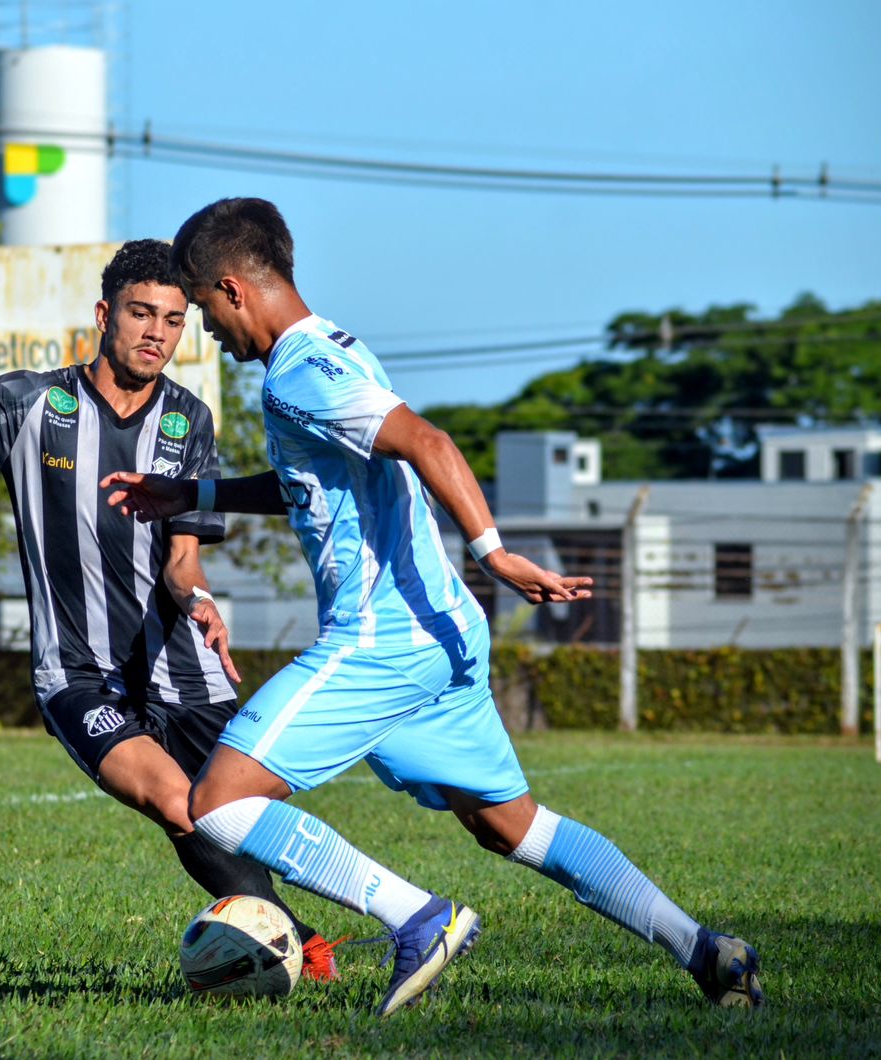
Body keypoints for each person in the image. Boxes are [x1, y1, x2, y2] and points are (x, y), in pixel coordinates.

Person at [101, 199, 764, 1016]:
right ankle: (708, 952)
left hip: (384, 639)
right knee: (514, 828)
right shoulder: (338, 350)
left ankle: (418, 920)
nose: (206, 332)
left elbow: (429, 443)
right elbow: (316, 486)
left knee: (219, 805)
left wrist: (494, 551)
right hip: (442, 635)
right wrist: (194, 491)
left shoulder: (299, 373)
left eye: (202, 309)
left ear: (233, 289)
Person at [0, 238, 342, 981]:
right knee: (178, 804)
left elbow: (183, 559)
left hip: (180, 663)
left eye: (175, 319)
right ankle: (303, 945)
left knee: (233, 814)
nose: (157, 331)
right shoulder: (31, 403)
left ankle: (309, 926)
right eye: (141, 313)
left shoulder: (189, 420)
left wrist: (205, 601)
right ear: (105, 314)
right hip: (79, 671)